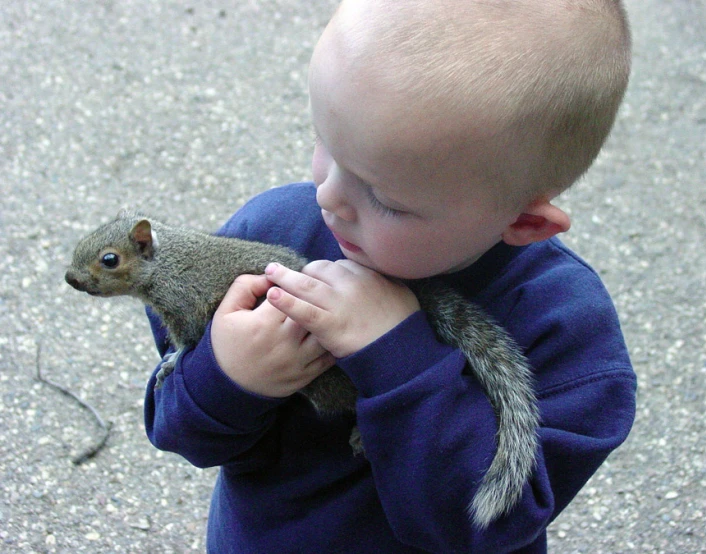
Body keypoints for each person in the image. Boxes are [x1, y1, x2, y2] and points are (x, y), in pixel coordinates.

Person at [144, 0, 637, 551]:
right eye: (325, 145)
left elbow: (491, 523)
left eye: (382, 197)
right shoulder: (269, 232)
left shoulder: (567, 333)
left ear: (523, 221)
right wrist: (226, 375)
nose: (327, 196)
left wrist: (400, 361)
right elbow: (180, 430)